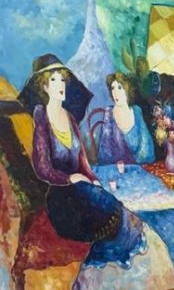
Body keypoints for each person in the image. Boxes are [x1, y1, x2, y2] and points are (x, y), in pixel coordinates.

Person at [18, 54, 146, 267]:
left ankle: (115, 247)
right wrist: (70, 178)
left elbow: (82, 159)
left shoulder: (69, 117)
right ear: (44, 87)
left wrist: (92, 178)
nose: (60, 84)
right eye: (53, 80)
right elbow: (42, 168)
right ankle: (105, 254)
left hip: (82, 188)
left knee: (109, 200)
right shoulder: (42, 118)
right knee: (108, 208)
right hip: (62, 199)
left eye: (62, 79)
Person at [96, 72, 155, 164]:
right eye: (113, 88)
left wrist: (134, 162)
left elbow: (147, 149)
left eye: (119, 88)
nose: (115, 93)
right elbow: (104, 154)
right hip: (115, 169)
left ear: (127, 89)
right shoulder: (109, 114)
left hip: (138, 167)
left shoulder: (136, 111)